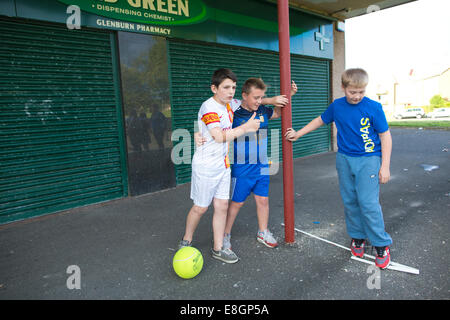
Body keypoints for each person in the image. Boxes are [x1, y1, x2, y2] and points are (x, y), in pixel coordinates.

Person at [285, 68, 392, 269]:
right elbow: (320, 120)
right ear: (343, 87)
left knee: (368, 203)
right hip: (344, 159)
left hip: (369, 159)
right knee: (350, 201)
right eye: (352, 92)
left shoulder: (374, 107)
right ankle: (358, 237)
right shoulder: (337, 106)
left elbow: (385, 136)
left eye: (361, 92)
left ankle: (381, 244)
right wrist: (298, 134)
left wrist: (385, 166)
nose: (357, 96)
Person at [180, 69, 290, 264]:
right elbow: (218, 136)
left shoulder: (231, 103)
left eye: (233, 87)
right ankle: (186, 240)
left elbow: (258, 100)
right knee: (201, 207)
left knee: (222, 206)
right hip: (207, 165)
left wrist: (278, 97)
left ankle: (218, 247)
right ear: (214, 88)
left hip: (224, 165)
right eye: (226, 87)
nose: (231, 91)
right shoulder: (210, 107)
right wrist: (246, 128)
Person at [222, 78, 297, 256]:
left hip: (262, 165)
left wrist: (290, 95)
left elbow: (278, 114)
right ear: (244, 96)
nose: (258, 101)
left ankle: (263, 232)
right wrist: (269, 99)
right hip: (242, 167)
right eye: (255, 97)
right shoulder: (234, 111)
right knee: (236, 204)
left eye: (261, 97)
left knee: (263, 200)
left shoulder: (262, 110)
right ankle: (224, 235)